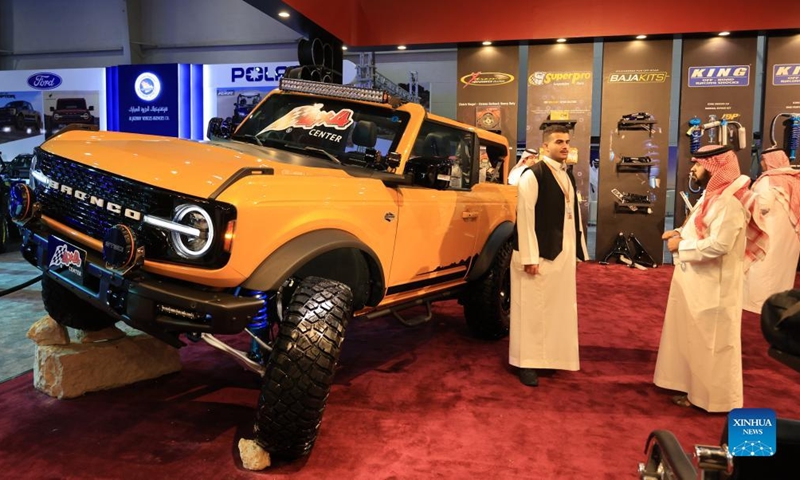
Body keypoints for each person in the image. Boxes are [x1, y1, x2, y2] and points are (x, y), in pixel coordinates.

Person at [654, 145, 767, 412]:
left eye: (699, 164)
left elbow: (720, 245)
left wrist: (681, 246)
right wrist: (680, 233)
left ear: (715, 169)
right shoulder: (714, 196)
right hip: (700, 281)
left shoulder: (729, 202)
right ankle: (693, 390)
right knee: (697, 339)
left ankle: (713, 401)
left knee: (713, 344)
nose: (693, 169)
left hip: (716, 285)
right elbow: (701, 227)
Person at [509, 125, 587, 387]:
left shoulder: (567, 175)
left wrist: (577, 252)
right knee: (531, 310)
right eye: (558, 142)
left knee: (555, 309)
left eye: (566, 142)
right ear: (545, 147)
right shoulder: (533, 175)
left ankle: (549, 356)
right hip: (538, 256)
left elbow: (573, 218)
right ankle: (527, 363)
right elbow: (525, 218)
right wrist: (529, 257)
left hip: (562, 255)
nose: (564, 146)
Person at [743, 147, 800, 313]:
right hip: (791, 237)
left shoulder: (768, 180)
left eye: (763, 160)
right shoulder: (795, 180)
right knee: (782, 272)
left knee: (763, 270)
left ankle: (758, 304)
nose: (761, 163)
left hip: (770, 233)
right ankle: (780, 301)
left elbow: (762, 205)